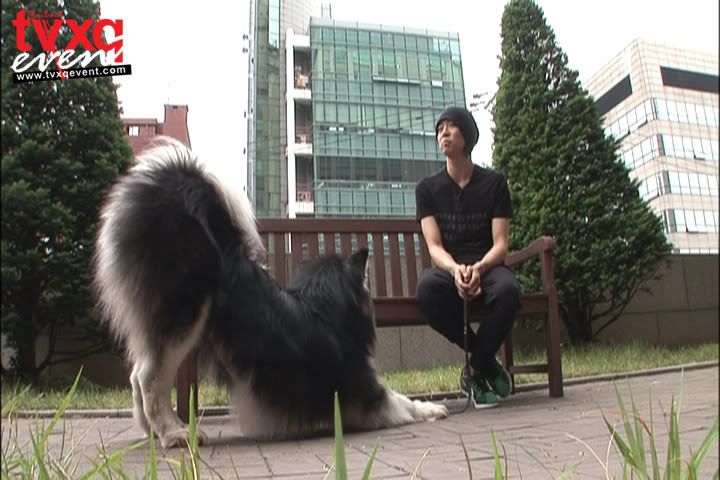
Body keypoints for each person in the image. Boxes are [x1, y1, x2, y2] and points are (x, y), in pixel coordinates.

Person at [415, 106, 521, 409]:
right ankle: (484, 360)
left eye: (451, 126)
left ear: (468, 135)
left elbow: (501, 244)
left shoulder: (494, 183)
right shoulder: (427, 189)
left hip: (488, 266)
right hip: (449, 270)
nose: (443, 133)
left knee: (509, 291)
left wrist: (480, 268)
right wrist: (455, 270)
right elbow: (434, 247)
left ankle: (473, 369)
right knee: (426, 290)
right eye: (439, 129)